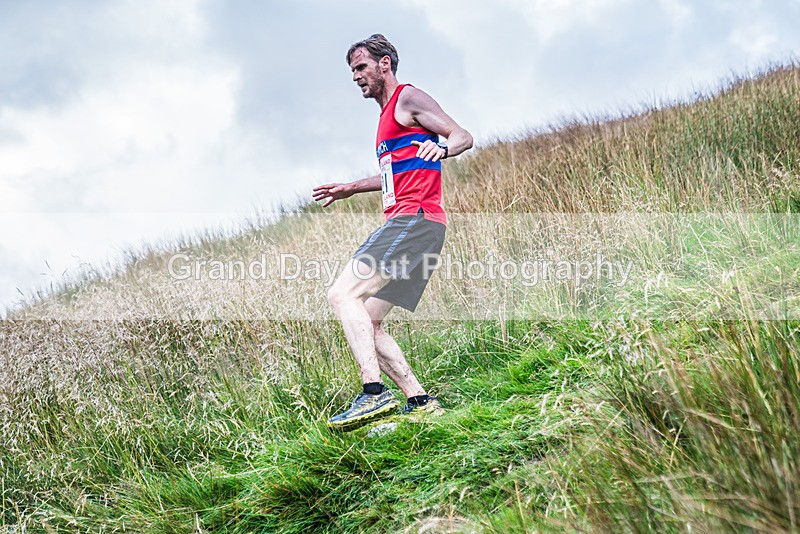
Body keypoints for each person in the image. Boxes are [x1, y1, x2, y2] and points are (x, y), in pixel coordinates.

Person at [313, 34, 473, 430]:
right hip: (423, 227)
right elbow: (395, 174)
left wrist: (445, 150)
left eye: (361, 67)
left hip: (414, 221)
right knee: (369, 318)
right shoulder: (387, 118)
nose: (355, 76)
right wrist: (350, 187)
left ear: (385, 64)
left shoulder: (407, 98)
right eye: (352, 70)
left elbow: (461, 135)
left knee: (341, 294)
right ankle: (419, 400)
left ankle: (373, 392)